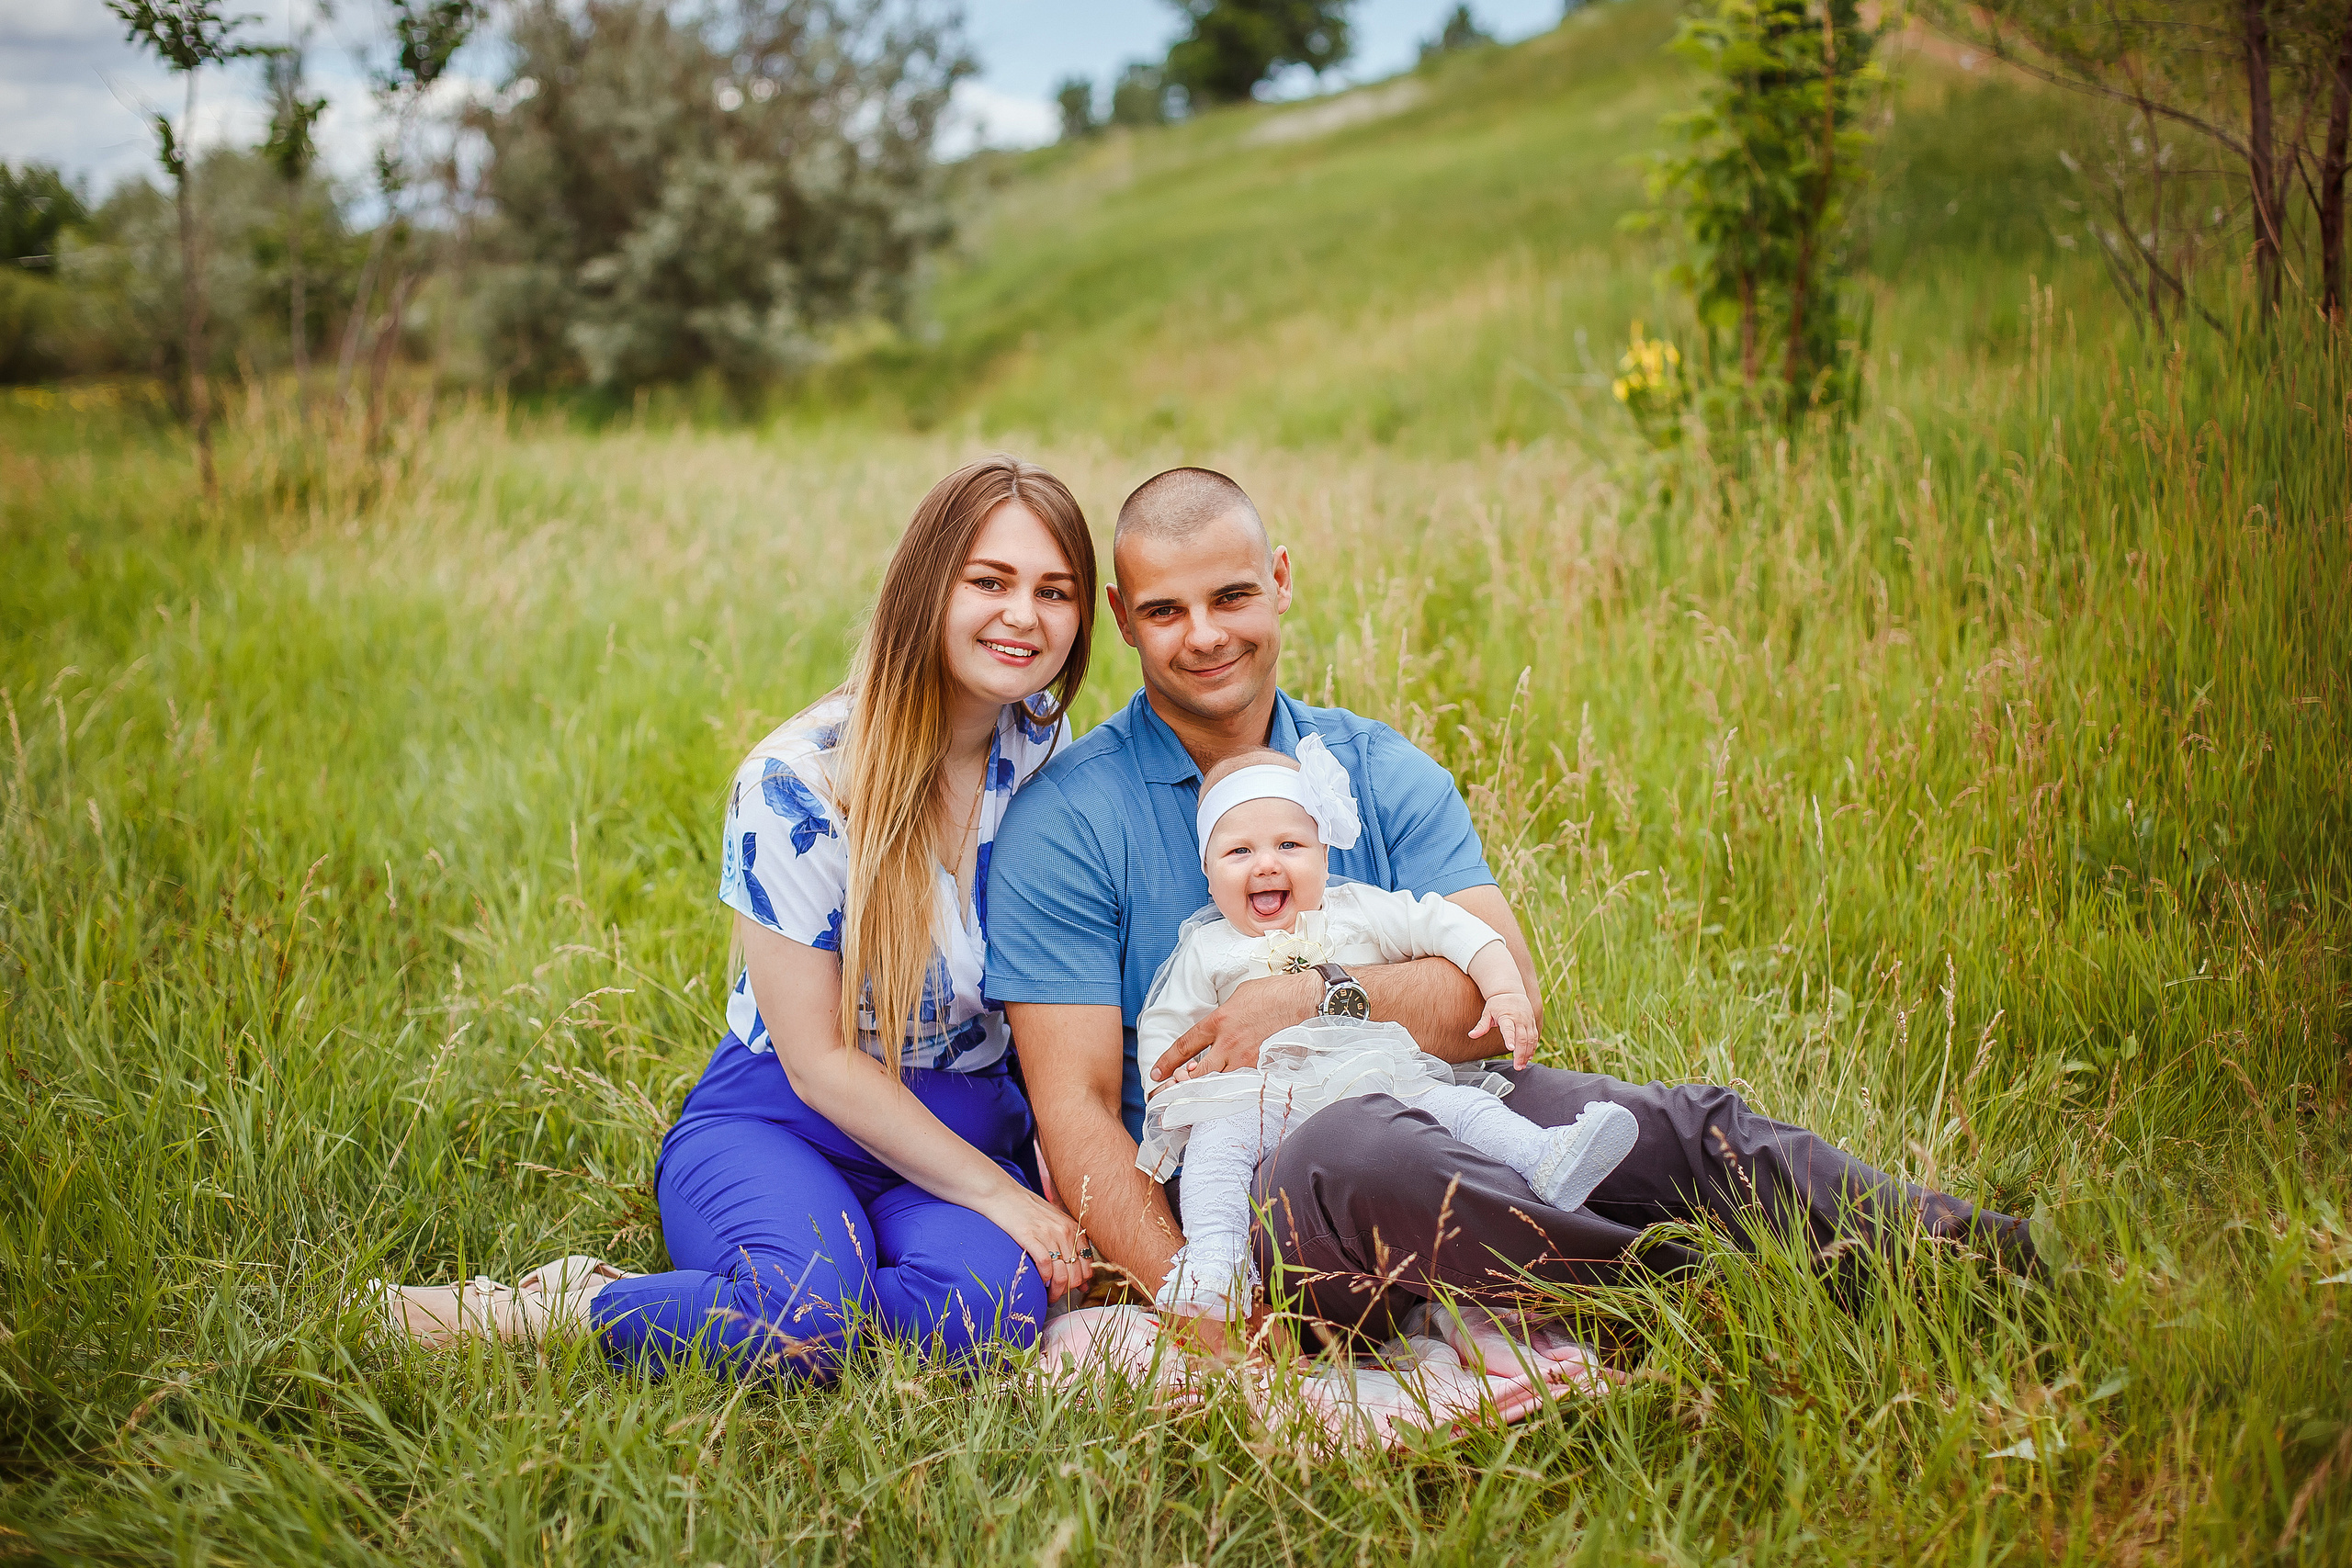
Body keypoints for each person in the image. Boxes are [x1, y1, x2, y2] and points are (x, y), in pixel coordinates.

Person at [987, 466, 2034, 1347]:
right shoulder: (1069, 823)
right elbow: (1073, 1109)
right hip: (1256, 1191)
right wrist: (1200, 1307)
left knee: (1670, 1126)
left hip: (1432, 1093)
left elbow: (1498, 1002)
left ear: (1281, 582)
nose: (1203, 636)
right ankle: (1696, 1293)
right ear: (1122, 618)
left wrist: (1319, 997)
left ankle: (1985, 1263)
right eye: (1164, 611)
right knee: (1364, 1152)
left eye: (1230, 597)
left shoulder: (1376, 766)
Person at [378, 456, 1100, 1377]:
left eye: (1054, 590)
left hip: (961, 1126)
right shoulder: (797, 782)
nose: (1023, 616)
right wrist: (1006, 1201)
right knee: (801, 1325)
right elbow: (818, 1061)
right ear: (926, 587)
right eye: (989, 581)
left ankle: (804, 1289)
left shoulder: (1047, 753)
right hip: (785, 1119)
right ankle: (563, 1307)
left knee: (984, 1317)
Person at [1136, 739, 1638, 1323]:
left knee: (1456, 1108)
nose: (1266, 864)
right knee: (1214, 1150)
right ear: (1207, 869)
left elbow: (1451, 926)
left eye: (1289, 845)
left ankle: (1547, 1157)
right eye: (1238, 851)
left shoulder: (1359, 909)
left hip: (1375, 1077)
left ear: (1325, 854)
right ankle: (1215, 1264)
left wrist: (1502, 987)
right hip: (1262, 1098)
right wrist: (1169, 1085)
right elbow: (1168, 1025)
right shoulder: (1206, 946)